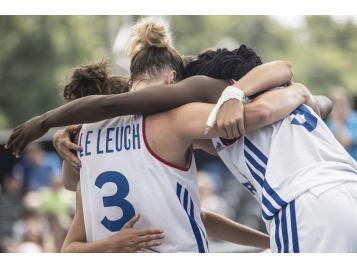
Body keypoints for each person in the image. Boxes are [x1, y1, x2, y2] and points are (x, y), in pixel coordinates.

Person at [6, 18, 325, 252]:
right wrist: (300, 95)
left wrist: (57, 129)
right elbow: (253, 115)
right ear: (174, 78)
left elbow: (70, 191)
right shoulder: (175, 119)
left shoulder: (84, 138)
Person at [327, 87, 357, 161]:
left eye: (341, 103)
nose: (339, 107)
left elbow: (345, 142)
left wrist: (337, 121)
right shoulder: (329, 123)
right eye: (335, 104)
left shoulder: (354, 120)